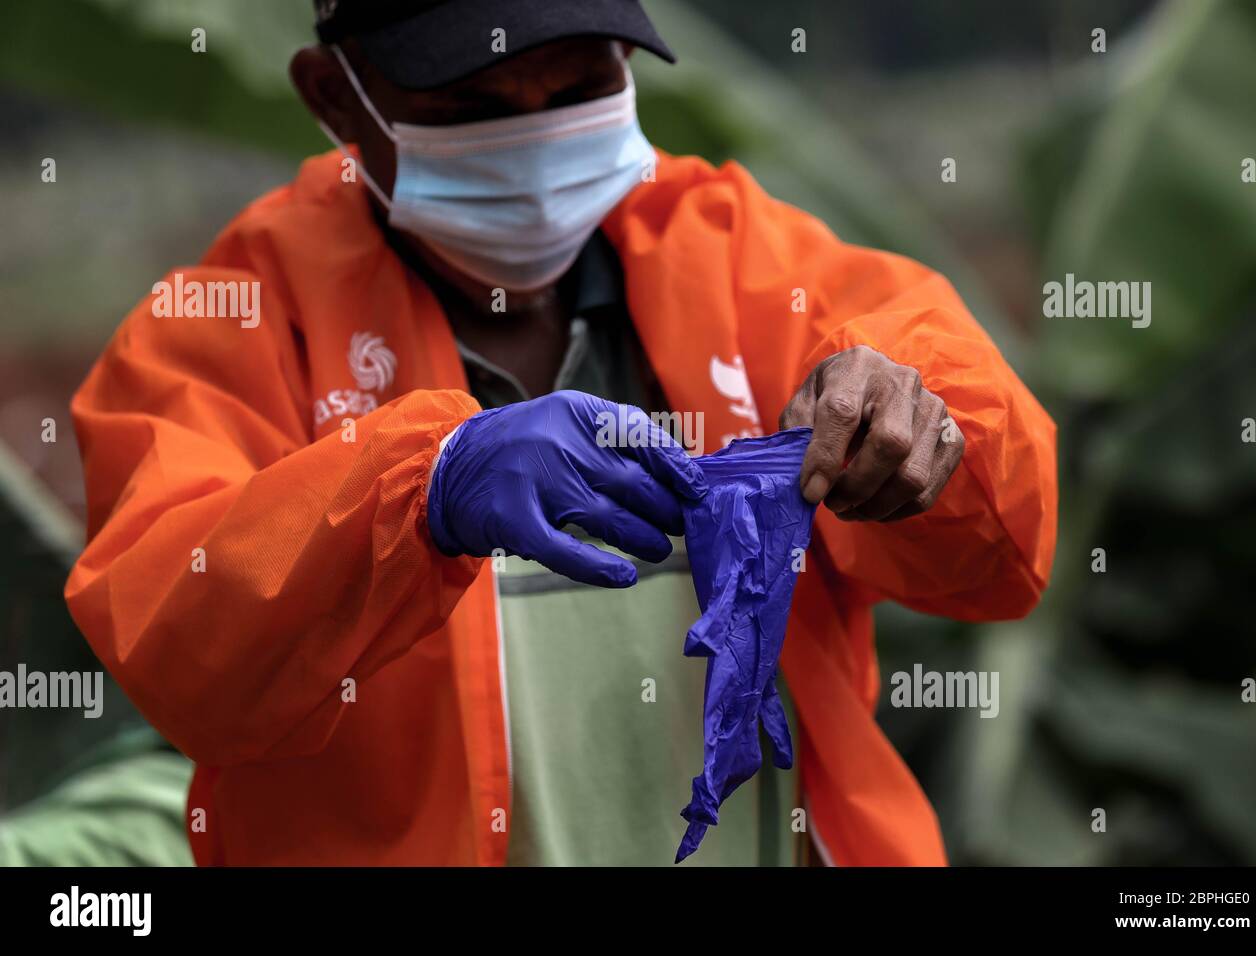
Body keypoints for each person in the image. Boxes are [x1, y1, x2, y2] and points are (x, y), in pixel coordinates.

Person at [65, 0, 1057, 866]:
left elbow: (1002, 544)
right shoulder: (224, 324)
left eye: (580, 87)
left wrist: (925, 428)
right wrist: (423, 490)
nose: (537, 144)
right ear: (334, 96)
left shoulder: (744, 258)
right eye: (474, 110)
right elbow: (179, 641)